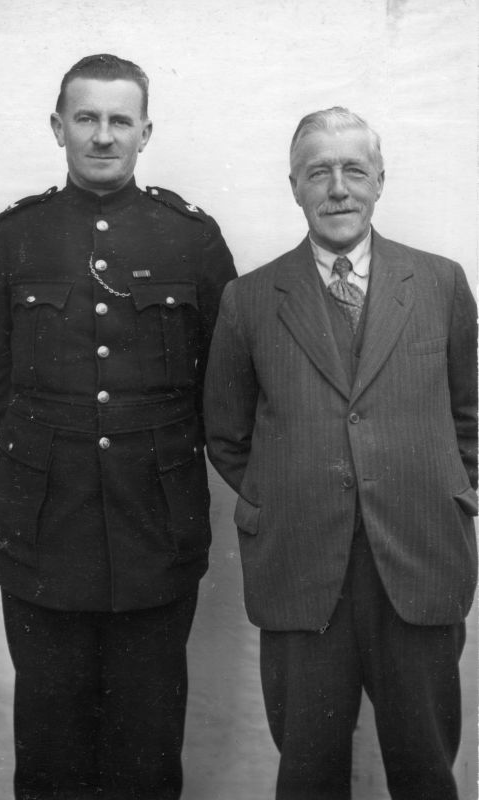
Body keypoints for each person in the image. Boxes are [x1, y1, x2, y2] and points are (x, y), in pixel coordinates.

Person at [0, 53, 236, 800]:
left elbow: (226, 375)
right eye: (87, 117)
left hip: (157, 525)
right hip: (43, 528)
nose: (103, 135)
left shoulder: (191, 239)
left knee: (147, 747)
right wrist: (51, 441)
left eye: (120, 120)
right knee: (50, 747)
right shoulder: (15, 235)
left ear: (146, 130)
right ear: (58, 127)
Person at [204, 107, 477, 800]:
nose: (337, 188)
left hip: (418, 561)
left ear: (379, 181)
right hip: (300, 567)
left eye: (353, 169)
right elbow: (229, 436)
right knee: (307, 772)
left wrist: (435, 489)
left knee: (423, 770)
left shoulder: (441, 285)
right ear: (293, 186)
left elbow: (471, 417)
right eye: (317, 172)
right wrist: (288, 491)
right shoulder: (250, 299)